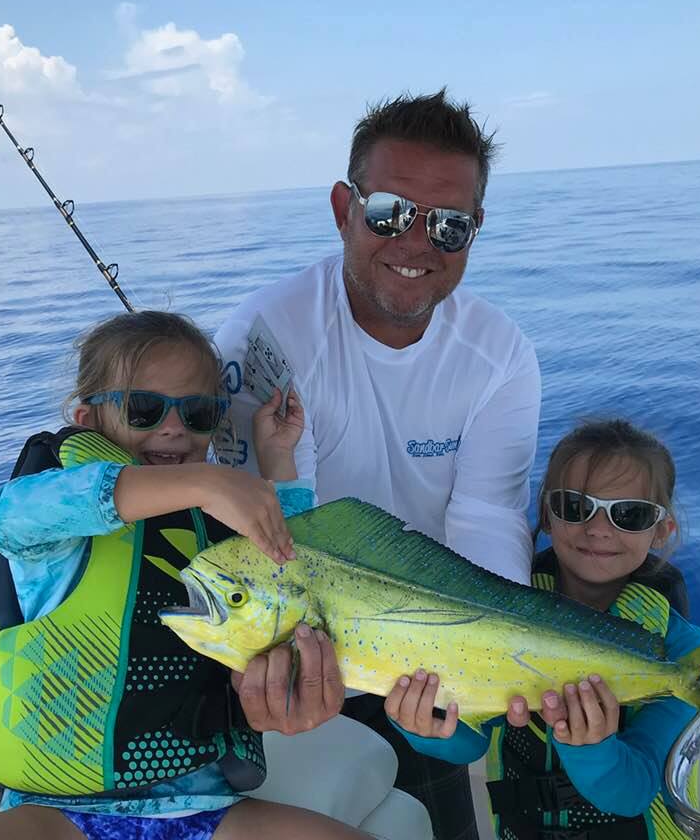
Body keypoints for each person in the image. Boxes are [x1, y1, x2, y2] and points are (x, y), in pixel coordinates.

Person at [214, 89, 542, 840]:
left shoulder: (500, 354)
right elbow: (259, 535)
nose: (417, 243)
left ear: (476, 229)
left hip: (430, 659)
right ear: (344, 208)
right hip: (289, 656)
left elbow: (488, 520)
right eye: (391, 213)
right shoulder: (263, 337)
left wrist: (494, 666)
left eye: (449, 225)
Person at [0, 311, 370, 840]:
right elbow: (10, 516)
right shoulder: (52, 522)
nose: (173, 427)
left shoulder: (209, 520)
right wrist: (205, 481)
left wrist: (276, 458)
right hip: (56, 810)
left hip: (207, 809)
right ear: (87, 419)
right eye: (143, 409)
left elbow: (287, 568)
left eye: (198, 413)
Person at [385, 419, 700, 840]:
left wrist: (592, 749)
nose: (598, 529)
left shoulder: (680, 653)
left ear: (662, 530)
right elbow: (471, 742)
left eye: (630, 514)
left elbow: (635, 791)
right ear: (546, 516)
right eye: (575, 506)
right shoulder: (501, 615)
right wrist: (427, 727)